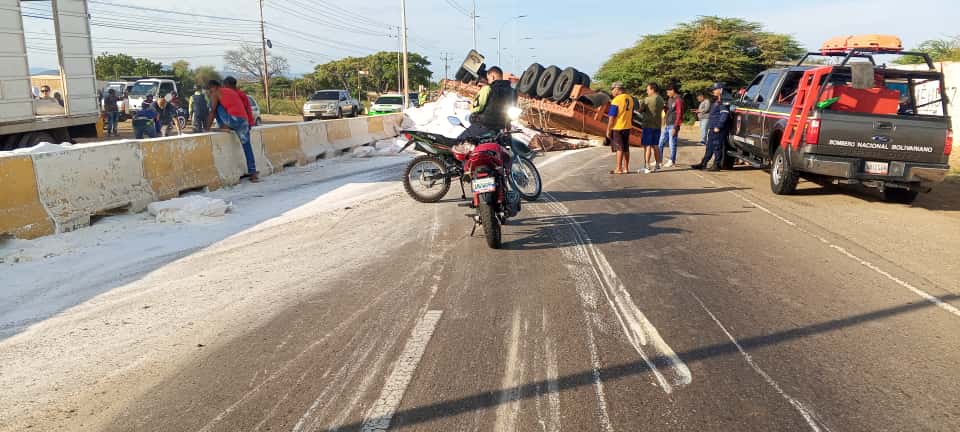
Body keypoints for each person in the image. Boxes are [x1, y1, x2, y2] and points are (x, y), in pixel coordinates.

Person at [207, 79, 259, 182]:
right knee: (247, 147)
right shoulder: (231, 91)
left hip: (233, 120)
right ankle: (253, 174)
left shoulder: (216, 93)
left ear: (212, 87)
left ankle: (224, 126)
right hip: (244, 121)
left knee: (215, 106)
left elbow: (212, 111)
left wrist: (206, 128)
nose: (209, 92)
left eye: (209, 90)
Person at [461, 66, 516, 139]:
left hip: (482, 127)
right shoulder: (513, 92)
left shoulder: (487, 89)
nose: (488, 81)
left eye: (488, 78)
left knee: (459, 142)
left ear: (492, 77)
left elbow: (476, 108)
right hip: (500, 131)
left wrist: (470, 105)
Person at [692, 83, 731, 171]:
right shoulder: (717, 100)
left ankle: (716, 165)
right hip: (713, 127)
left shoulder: (724, 100)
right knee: (709, 146)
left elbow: (724, 114)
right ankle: (704, 163)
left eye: (714, 89)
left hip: (718, 128)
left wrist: (719, 126)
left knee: (717, 146)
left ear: (720, 89)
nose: (713, 91)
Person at [605, 81, 634, 174]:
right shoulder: (630, 98)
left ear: (617, 89)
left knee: (619, 148)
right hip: (627, 126)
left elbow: (611, 117)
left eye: (613, 89)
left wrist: (608, 130)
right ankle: (626, 168)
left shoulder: (616, 100)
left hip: (618, 127)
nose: (612, 92)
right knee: (626, 148)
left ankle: (618, 168)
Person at [637, 82, 665, 173]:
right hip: (657, 125)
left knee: (647, 146)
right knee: (655, 145)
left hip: (648, 125)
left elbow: (640, 111)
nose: (647, 91)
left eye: (648, 89)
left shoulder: (647, 99)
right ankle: (657, 165)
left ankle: (647, 166)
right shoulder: (661, 99)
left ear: (652, 89)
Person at [658, 83, 684, 167]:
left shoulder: (678, 100)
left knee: (672, 143)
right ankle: (659, 160)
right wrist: (664, 108)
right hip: (667, 124)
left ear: (672, 90)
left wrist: (676, 127)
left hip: (673, 125)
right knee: (660, 142)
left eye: (668, 91)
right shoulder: (670, 99)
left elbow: (679, 114)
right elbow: (668, 111)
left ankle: (672, 160)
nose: (667, 93)